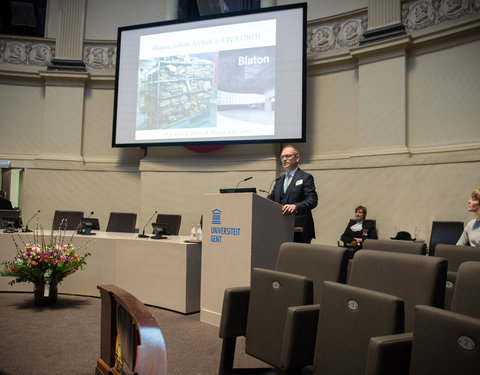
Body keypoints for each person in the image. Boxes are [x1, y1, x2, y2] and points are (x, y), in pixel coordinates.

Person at [268, 145, 318, 243]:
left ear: (297, 158)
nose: (284, 159)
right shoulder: (279, 181)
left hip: (299, 229)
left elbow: (312, 200)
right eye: (282, 157)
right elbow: (271, 199)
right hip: (280, 227)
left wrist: (295, 206)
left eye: (288, 156)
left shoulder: (306, 178)